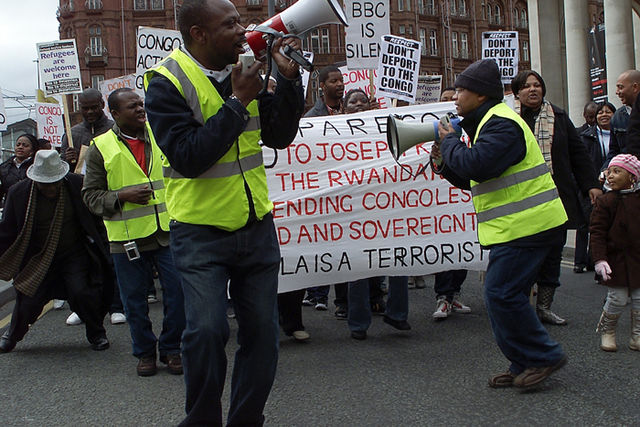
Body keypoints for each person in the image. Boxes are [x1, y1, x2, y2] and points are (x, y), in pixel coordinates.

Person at [143, 0, 305, 423]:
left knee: (264, 336)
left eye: (239, 21)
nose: (242, 30)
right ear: (199, 33)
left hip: (255, 226)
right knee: (205, 331)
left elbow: (279, 135)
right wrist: (237, 100)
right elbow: (188, 156)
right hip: (199, 232)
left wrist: (289, 82)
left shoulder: (247, 70)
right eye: (230, 24)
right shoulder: (165, 82)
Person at [431, 59, 568, 389]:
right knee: (506, 296)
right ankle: (523, 362)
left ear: (480, 95)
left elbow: (476, 165)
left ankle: (544, 356)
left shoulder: (502, 124)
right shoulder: (488, 123)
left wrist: (450, 142)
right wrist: (443, 162)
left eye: (461, 90)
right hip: (519, 226)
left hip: (529, 225)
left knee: (501, 294)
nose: (456, 98)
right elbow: (474, 178)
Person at [82, 88, 185, 377]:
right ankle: (144, 352)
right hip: (127, 238)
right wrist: (121, 196)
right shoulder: (100, 147)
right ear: (115, 114)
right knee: (134, 303)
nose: (141, 109)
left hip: (167, 232)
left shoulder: (160, 134)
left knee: (179, 294)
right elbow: (90, 196)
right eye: (132, 106)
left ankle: (171, 348)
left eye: (141, 104)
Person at [511, 70, 601, 326]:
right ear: (517, 92)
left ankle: (544, 307)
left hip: (555, 196)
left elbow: (578, 153)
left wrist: (591, 185)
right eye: (526, 86)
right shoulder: (507, 118)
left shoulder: (558, 116)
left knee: (553, 251)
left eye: (537, 85)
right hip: (521, 199)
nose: (533, 89)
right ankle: (520, 307)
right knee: (525, 254)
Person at [0, 150, 112, 353]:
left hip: (73, 253)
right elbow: (7, 230)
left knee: (82, 292)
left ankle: (97, 333)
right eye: (45, 184)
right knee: (28, 300)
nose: (51, 188)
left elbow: (95, 221)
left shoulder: (77, 185)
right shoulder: (18, 193)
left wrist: (104, 247)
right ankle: (12, 335)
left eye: (54, 182)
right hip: (37, 257)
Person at [303, 65, 348, 316]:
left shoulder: (353, 112)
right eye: (333, 81)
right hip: (324, 190)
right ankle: (317, 292)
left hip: (349, 189)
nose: (339, 84)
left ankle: (343, 301)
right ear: (322, 86)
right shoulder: (312, 118)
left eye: (341, 80)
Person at [589, 154, 640, 352]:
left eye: (617, 171)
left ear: (632, 177)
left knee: (639, 299)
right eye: (609, 171)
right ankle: (608, 331)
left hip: (637, 260)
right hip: (615, 261)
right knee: (617, 298)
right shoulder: (605, 201)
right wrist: (600, 259)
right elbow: (597, 232)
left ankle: (637, 335)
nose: (610, 176)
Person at [574, 101, 616, 273]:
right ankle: (580, 261)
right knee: (587, 224)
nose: (604, 115)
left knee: (605, 224)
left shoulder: (619, 134)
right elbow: (580, 162)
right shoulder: (585, 136)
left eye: (608, 112)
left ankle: (595, 260)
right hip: (591, 186)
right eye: (600, 112)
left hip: (612, 186)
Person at [61, 88, 114, 167]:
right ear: (80, 107)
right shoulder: (71, 134)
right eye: (85, 108)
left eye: (94, 107)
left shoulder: (115, 130)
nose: (90, 112)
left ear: (102, 105)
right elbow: (61, 167)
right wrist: (68, 160)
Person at [603, 70, 640, 164]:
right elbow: (614, 151)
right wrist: (606, 168)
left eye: (620, 87)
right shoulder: (617, 117)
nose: (617, 92)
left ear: (635, 87)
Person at [0, 134, 36, 207]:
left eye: (25, 145)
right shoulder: (4, 167)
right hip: (10, 207)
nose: (20, 147)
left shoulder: (36, 166)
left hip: (31, 206)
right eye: (18, 145)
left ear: (32, 151)